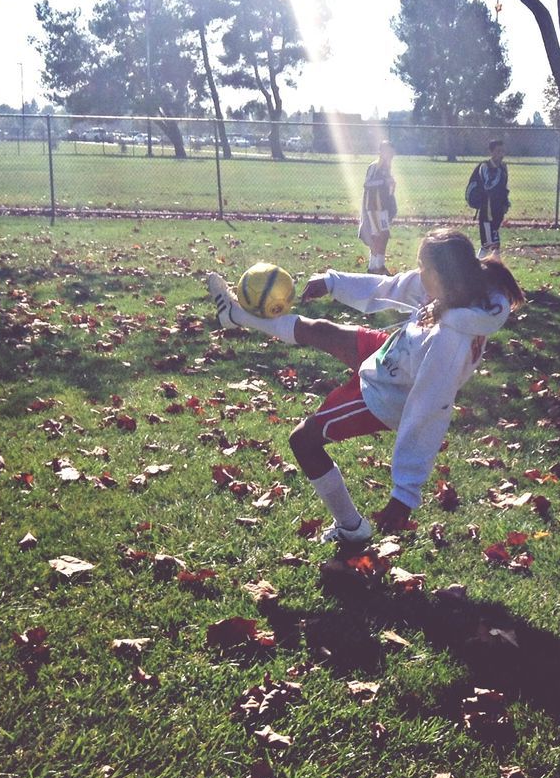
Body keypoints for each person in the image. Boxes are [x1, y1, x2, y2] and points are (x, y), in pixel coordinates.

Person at [206, 228, 525, 544]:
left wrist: (404, 494)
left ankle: (350, 527)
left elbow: (428, 408)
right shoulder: (457, 286)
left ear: (442, 273)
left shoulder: (449, 341)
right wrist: (333, 282)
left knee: (303, 441)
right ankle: (234, 315)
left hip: (388, 395)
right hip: (395, 356)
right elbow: (391, 287)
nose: (418, 272)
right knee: (321, 329)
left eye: (422, 266)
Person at [465, 139, 510, 258]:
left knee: (490, 242)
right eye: (498, 151)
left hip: (498, 209)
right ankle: (486, 268)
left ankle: (480, 267)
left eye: (503, 151)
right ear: (491, 152)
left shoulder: (503, 167)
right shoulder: (485, 166)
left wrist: (506, 202)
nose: (501, 154)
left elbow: (504, 187)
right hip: (487, 211)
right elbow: (488, 185)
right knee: (491, 243)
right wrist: (498, 172)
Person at [359, 140, 398, 274]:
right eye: (387, 150)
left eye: (391, 151)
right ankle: (376, 267)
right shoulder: (375, 166)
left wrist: (391, 186)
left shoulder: (387, 166)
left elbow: (387, 189)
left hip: (383, 207)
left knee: (383, 235)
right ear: (381, 152)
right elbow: (367, 184)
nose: (390, 153)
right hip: (374, 207)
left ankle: (375, 267)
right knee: (379, 235)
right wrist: (384, 182)